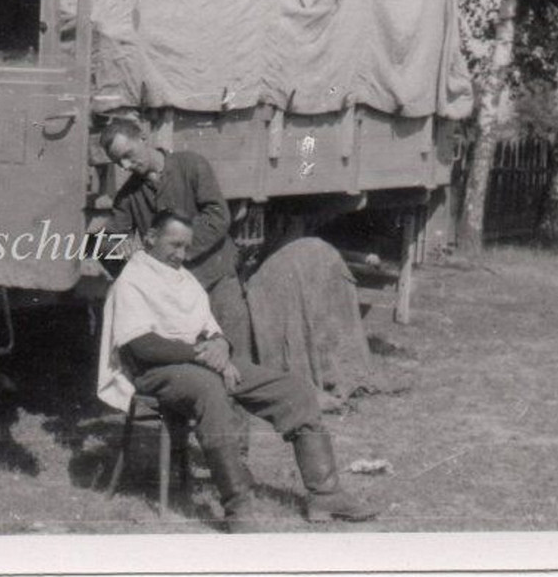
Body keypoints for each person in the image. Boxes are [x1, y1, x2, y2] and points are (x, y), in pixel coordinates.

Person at [97, 210, 379, 532]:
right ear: (149, 238)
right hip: (157, 371)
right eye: (173, 245)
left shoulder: (183, 278)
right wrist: (202, 355)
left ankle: (325, 494)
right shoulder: (133, 279)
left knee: (294, 389)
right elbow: (142, 346)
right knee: (209, 391)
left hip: (201, 361)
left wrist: (220, 345)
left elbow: (209, 327)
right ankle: (238, 507)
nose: (180, 254)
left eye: (186, 247)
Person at [97, 117, 254, 363]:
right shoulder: (128, 197)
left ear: (143, 138)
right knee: (196, 366)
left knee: (236, 357)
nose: (126, 165)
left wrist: (173, 249)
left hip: (215, 278)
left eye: (128, 154)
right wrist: (141, 271)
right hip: (176, 297)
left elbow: (218, 216)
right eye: (119, 162)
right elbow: (106, 246)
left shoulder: (190, 166)